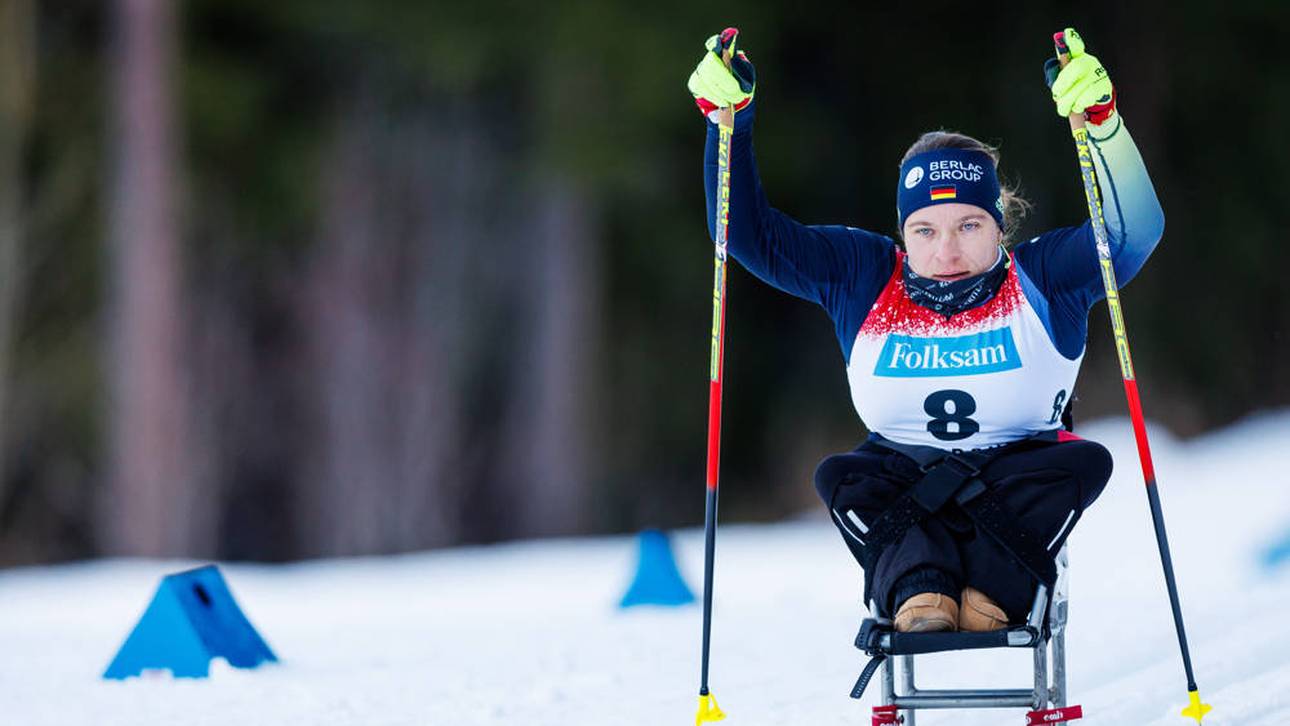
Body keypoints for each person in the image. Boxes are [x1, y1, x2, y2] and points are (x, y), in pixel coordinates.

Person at [687, 28, 1163, 633]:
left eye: (968, 225)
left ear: (1000, 222)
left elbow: (1135, 232)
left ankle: (994, 592)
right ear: (903, 232)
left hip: (1018, 481)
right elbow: (747, 238)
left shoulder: (1043, 277)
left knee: (1084, 462)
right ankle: (921, 590)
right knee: (839, 476)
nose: (948, 251)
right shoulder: (863, 274)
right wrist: (729, 124)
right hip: (906, 486)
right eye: (926, 231)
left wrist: (1103, 125)